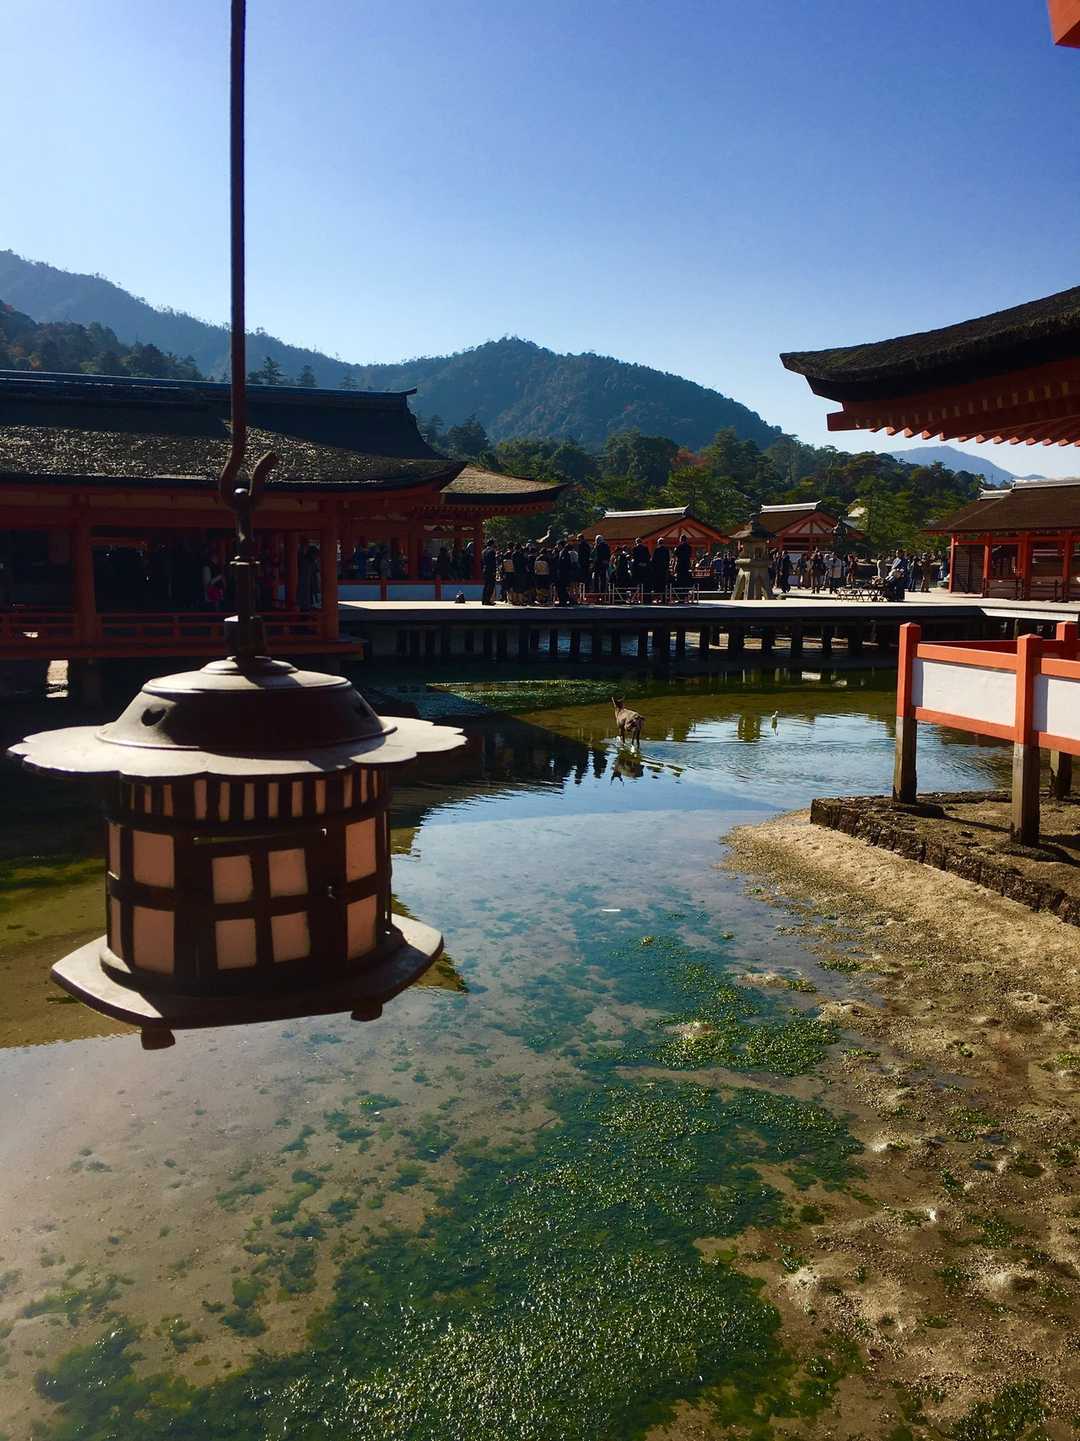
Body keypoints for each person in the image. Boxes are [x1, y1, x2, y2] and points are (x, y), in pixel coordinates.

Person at [481, 539, 497, 605]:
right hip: (490, 570)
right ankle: (488, 600)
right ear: (492, 544)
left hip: (485, 569)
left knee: (486, 586)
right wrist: (494, 571)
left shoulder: (483, 551)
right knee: (490, 586)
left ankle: (484, 600)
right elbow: (493, 563)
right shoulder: (492, 551)